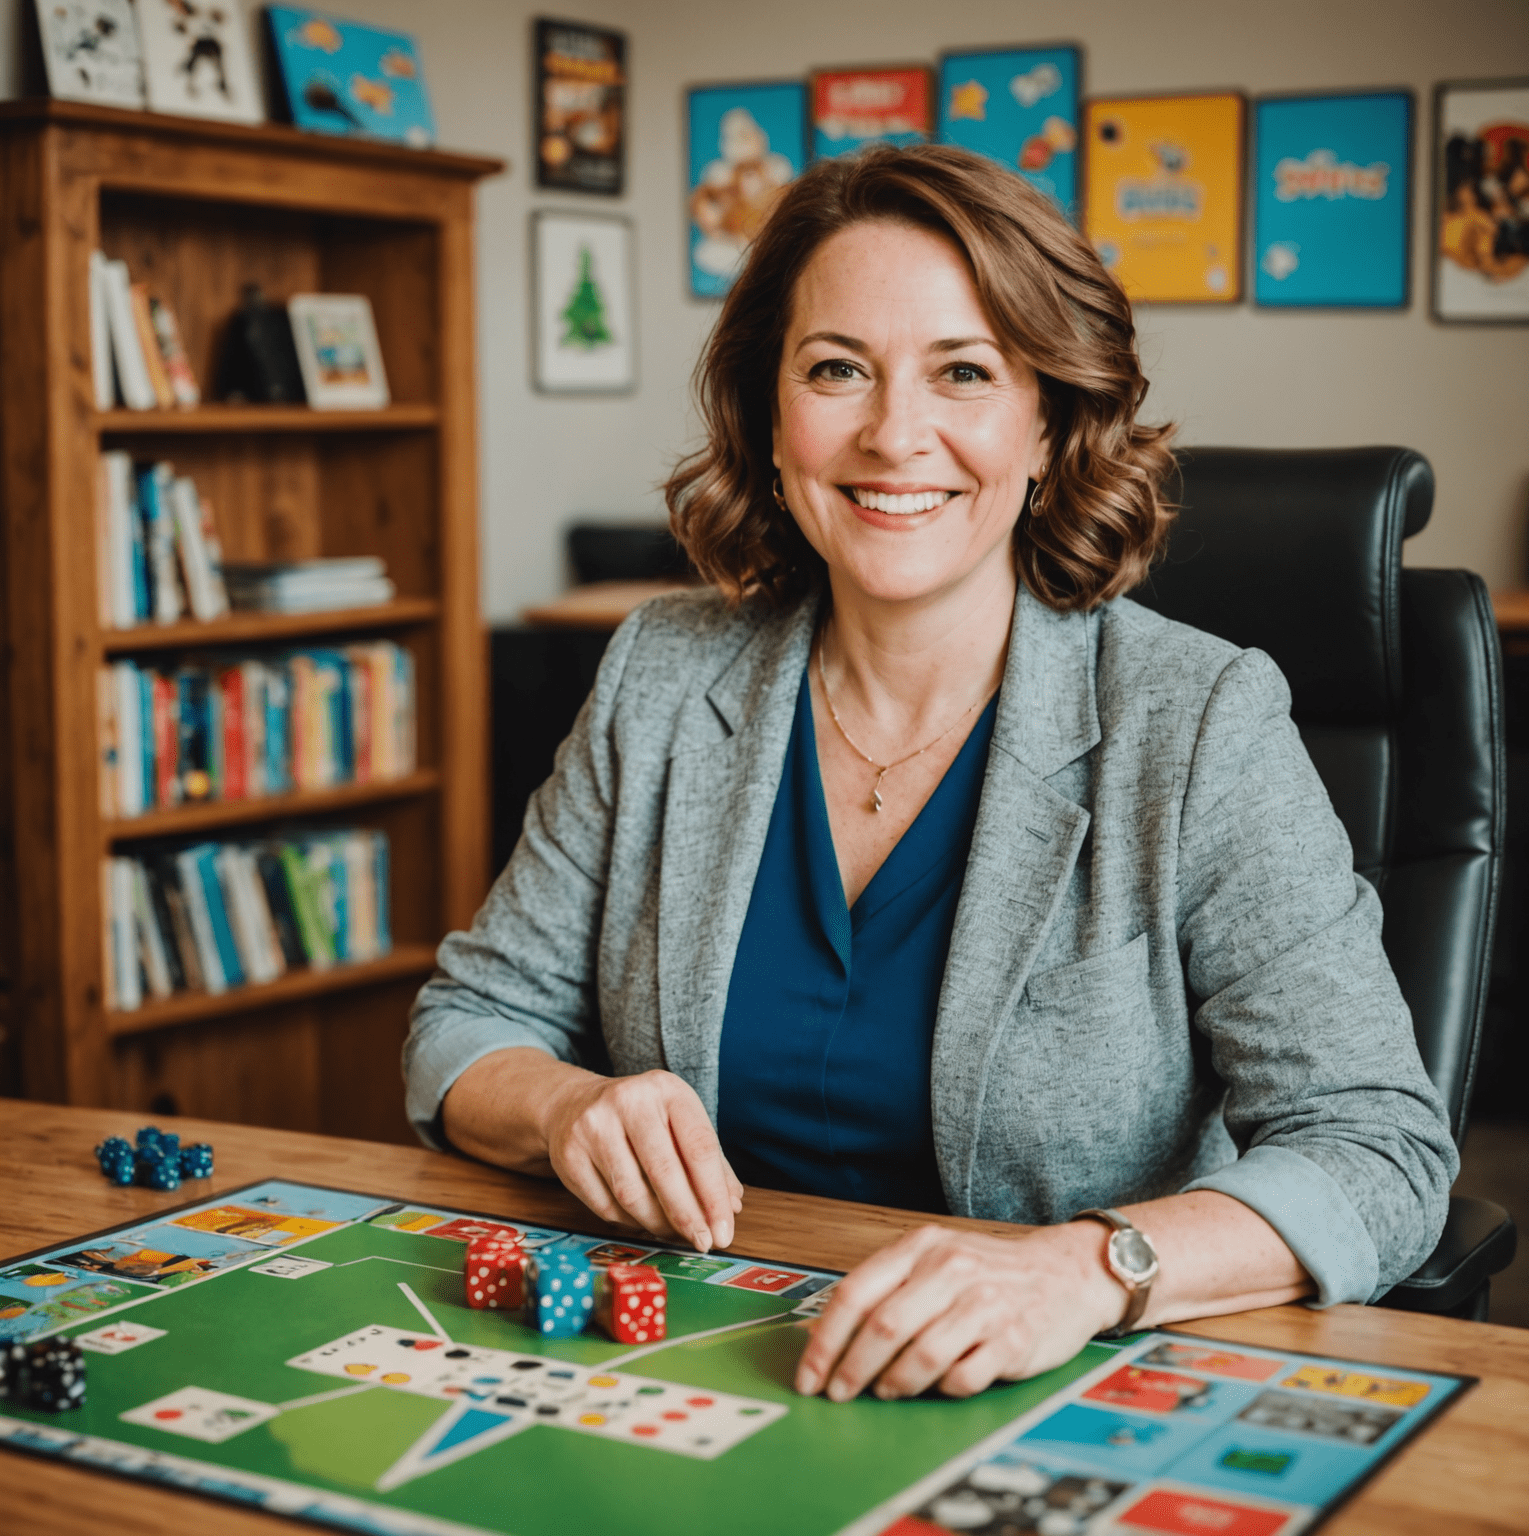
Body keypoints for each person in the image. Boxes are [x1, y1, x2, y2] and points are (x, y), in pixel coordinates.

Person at [406, 145, 1457, 1403]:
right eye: (837, 369)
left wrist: (1085, 1270)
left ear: (1048, 421)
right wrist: (565, 1106)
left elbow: (1381, 1151)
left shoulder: (1196, 719)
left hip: (1051, 1398)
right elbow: (461, 1030)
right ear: (772, 414)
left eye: (964, 373)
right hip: (696, 1371)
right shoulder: (662, 673)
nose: (895, 435)